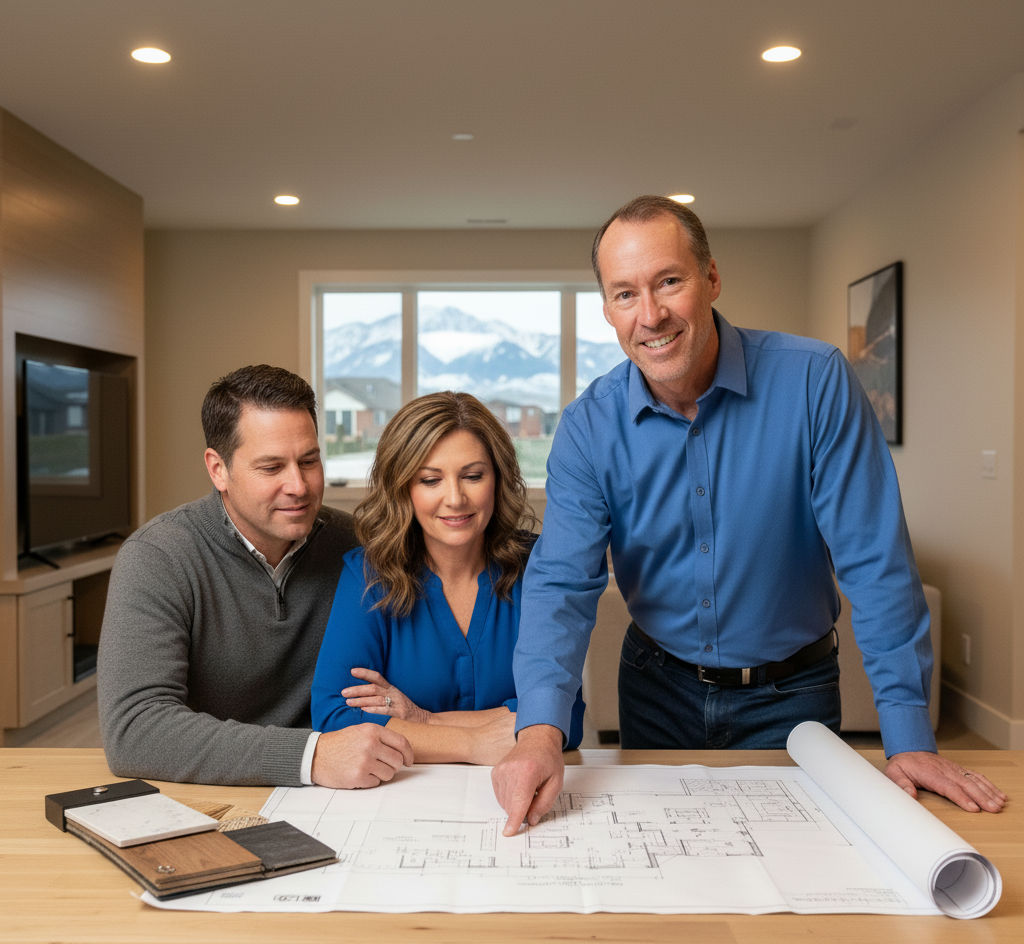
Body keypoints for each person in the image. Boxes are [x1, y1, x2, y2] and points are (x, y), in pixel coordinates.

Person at [492, 195, 1006, 833]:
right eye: (624, 294)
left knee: (800, 877)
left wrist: (907, 736)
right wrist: (539, 731)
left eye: (669, 282)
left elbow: (875, 561)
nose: (650, 315)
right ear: (606, 309)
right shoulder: (588, 426)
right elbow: (562, 583)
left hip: (793, 696)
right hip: (655, 690)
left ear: (711, 278)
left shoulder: (815, 381)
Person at [98, 365, 413, 787]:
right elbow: (136, 731)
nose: (298, 486)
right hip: (211, 793)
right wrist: (311, 755)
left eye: (309, 461)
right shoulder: (157, 558)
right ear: (218, 470)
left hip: (354, 784)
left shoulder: (361, 545)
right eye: (271, 468)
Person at [311, 391, 584, 763]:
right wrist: (473, 742)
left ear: (497, 479)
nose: (455, 499)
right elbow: (336, 719)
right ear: (403, 487)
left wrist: (423, 719)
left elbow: (567, 714)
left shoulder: (539, 567)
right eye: (430, 480)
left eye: (473, 476)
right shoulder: (368, 576)